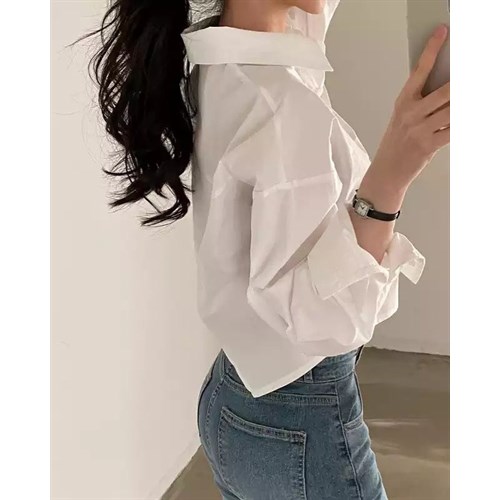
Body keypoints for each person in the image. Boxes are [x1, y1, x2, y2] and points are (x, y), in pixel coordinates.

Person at [87, 0, 450, 498]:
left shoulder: (232, 51)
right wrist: (395, 167)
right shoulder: (280, 103)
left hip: (234, 400)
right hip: (300, 422)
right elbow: (325, 322)